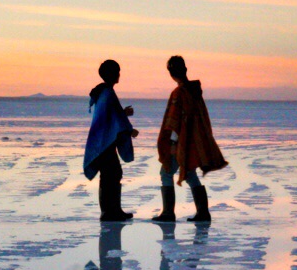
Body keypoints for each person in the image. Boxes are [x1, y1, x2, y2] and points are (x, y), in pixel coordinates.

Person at [151, 55, 227, 222]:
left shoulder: (180, 93)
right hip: (193, 141)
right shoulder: (194, 91)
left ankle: (168, 213)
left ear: (171, 73)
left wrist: (172, 142)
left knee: (166, 172)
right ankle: (203, 212)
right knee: (190, 173)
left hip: (180, 142)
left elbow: (176, 121)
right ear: (184, 70)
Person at [83, 59, 137, 221]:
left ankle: (112, 210)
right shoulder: (107, 93)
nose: (119, 74)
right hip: (105, 141)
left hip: (104, 140)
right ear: (112, 74)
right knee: (111, 174)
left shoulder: (104, 92)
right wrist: (129, 129)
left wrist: (122, 113)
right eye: (117, 71)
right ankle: (109, 212)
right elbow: (111, 117)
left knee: (110, 174)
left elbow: (110, 115)